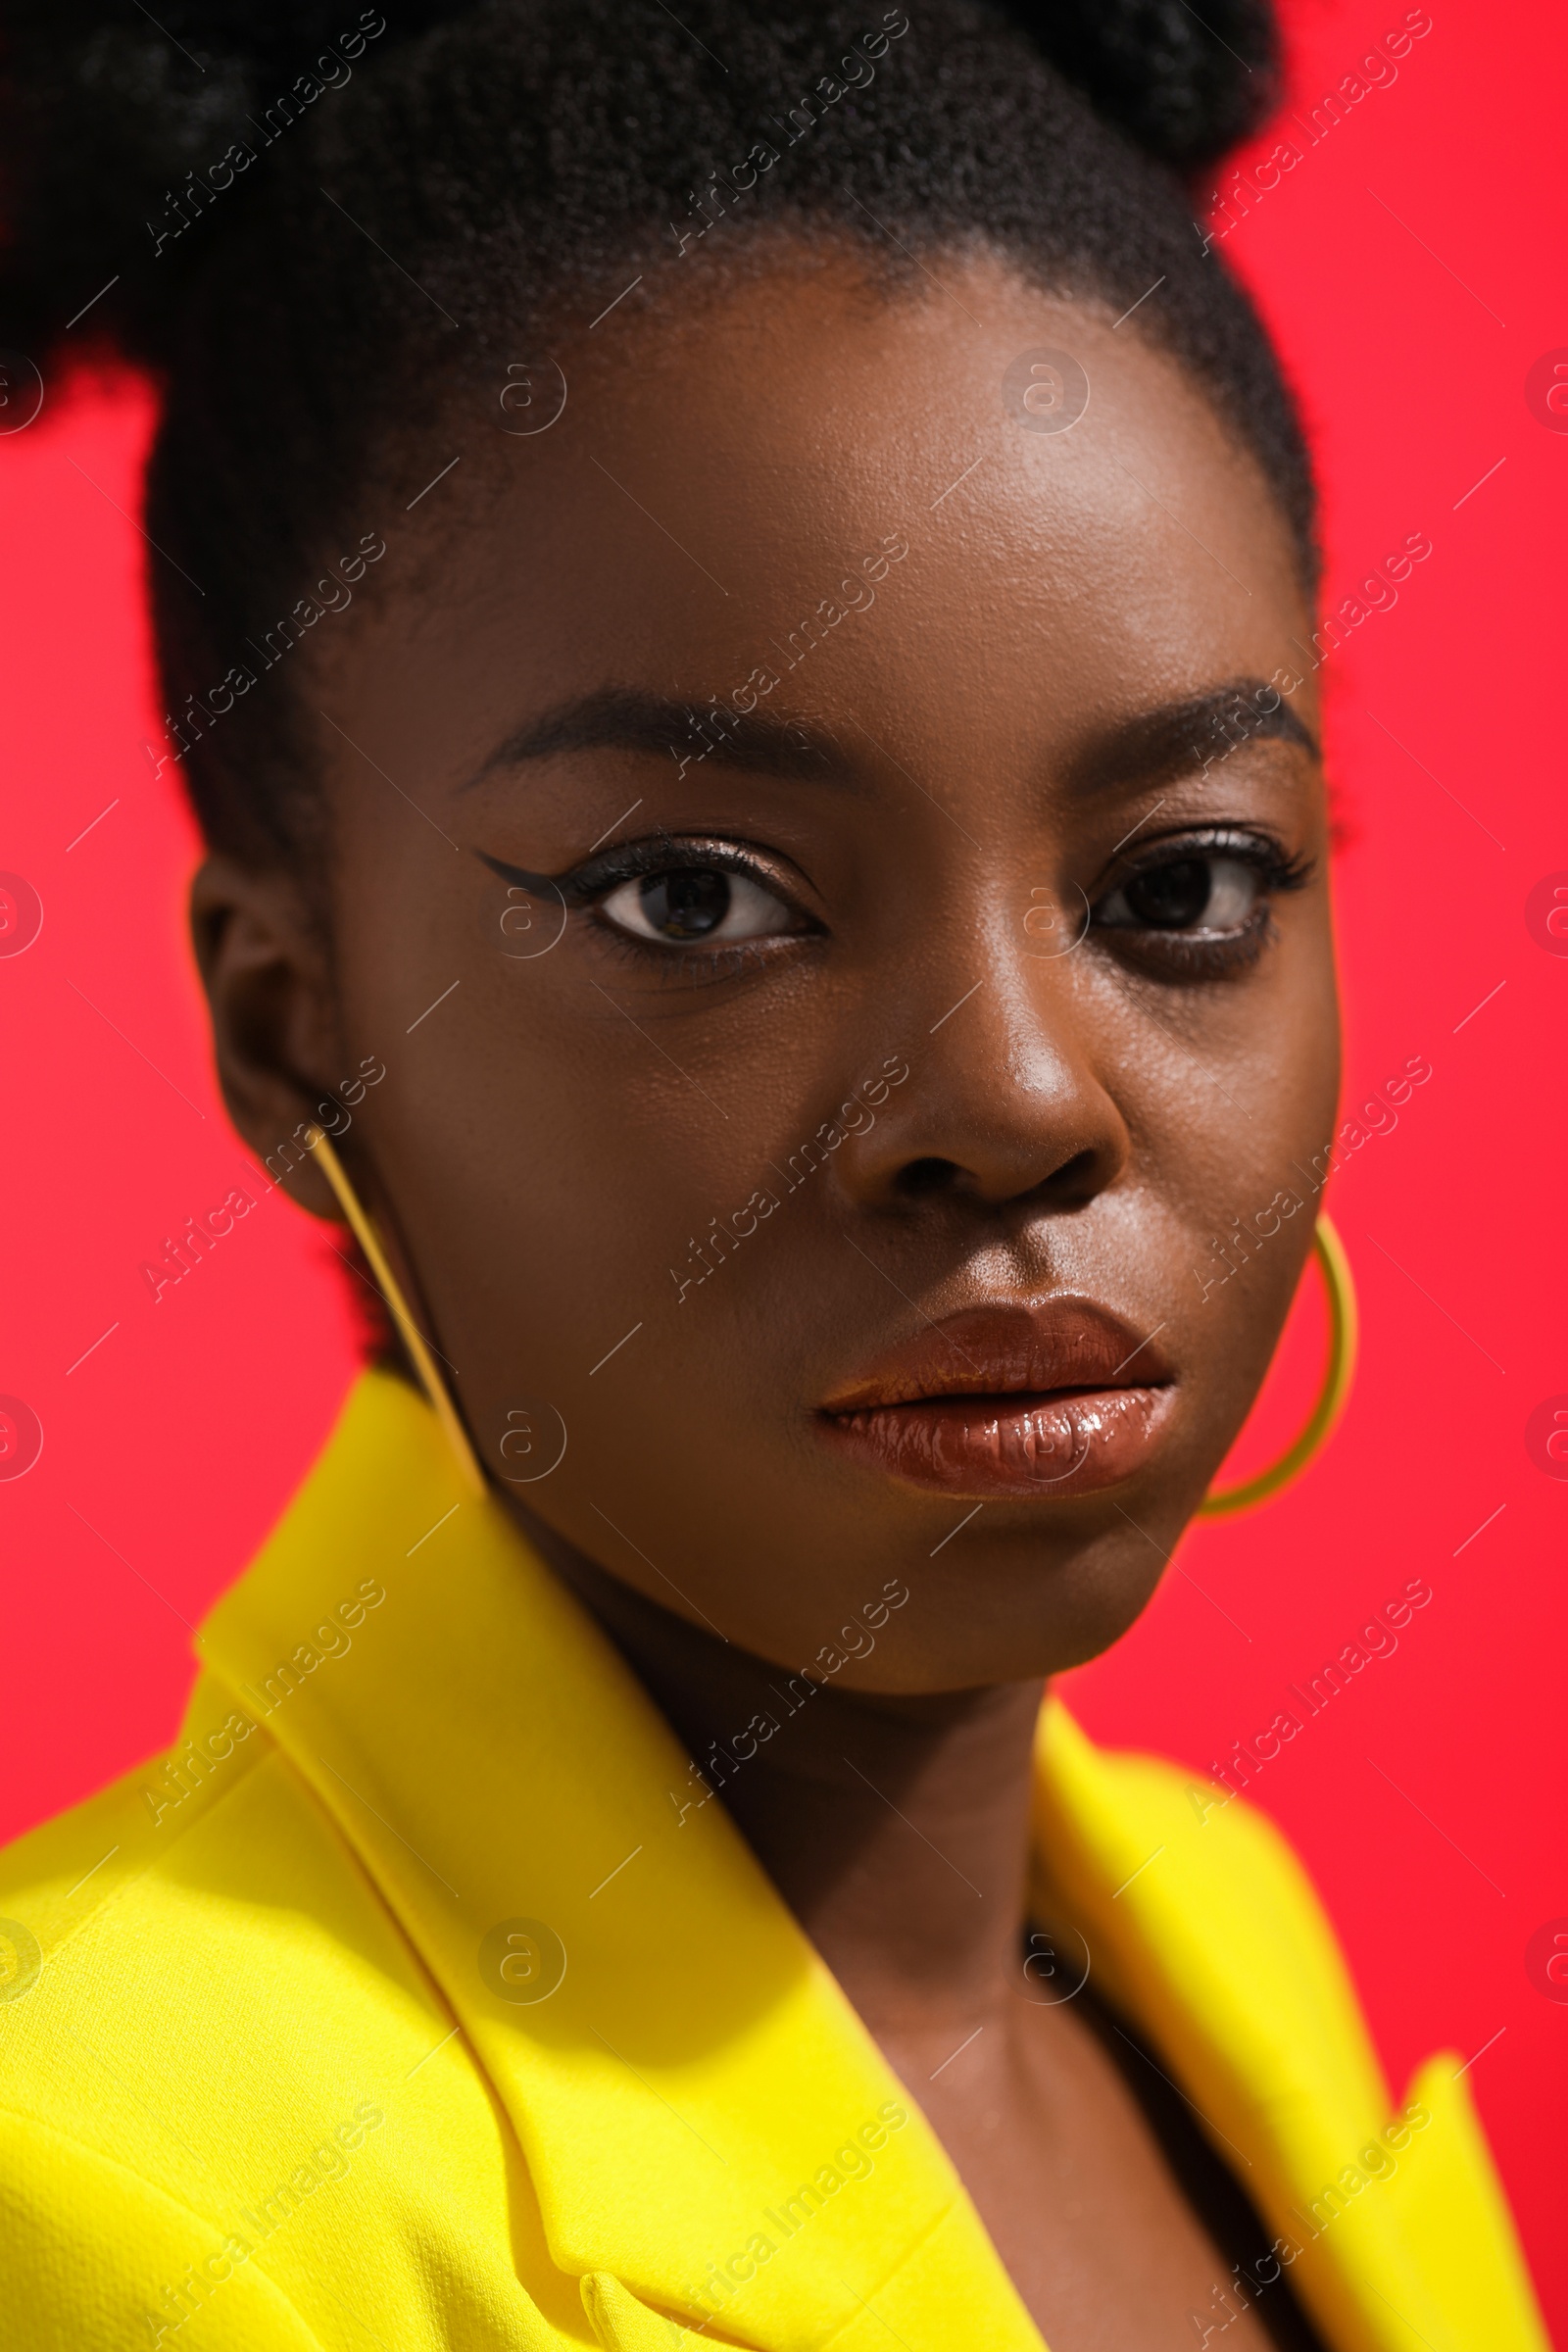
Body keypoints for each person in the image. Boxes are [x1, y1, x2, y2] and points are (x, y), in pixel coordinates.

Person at [0, 2, 1546, 2345]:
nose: (1022, 1099)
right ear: (294, 1034)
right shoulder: (113, 2185)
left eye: (1178, 890)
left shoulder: (1213, 1945)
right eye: (698, 899)